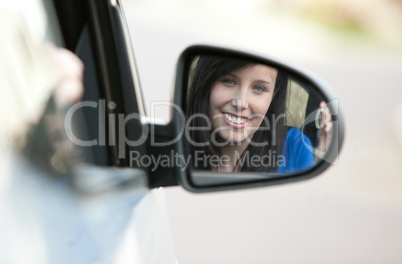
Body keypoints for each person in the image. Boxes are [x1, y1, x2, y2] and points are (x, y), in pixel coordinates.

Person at [188, 56, 331, 173]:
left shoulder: (295, 147)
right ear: (206, 82)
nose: (241, 103)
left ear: (274, 93)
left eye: (258, 88)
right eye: (229, 81)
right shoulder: (181, 147)